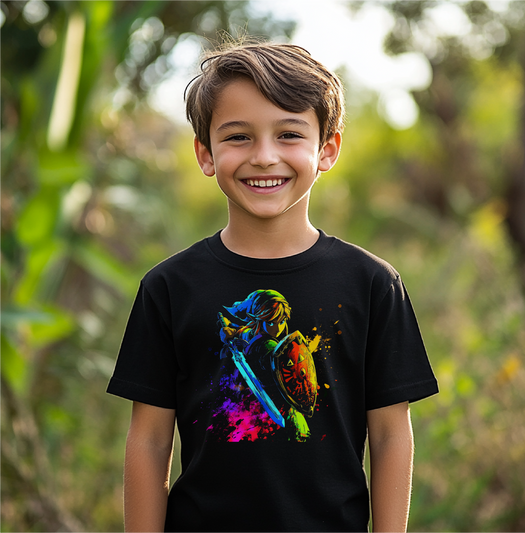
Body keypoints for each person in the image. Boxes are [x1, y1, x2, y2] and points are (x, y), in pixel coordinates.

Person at [107, 41, 438, 533]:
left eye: (288, 134)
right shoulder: (169, 287)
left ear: (326, 149)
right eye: (238, 137)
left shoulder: (372, 284)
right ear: (205, 152)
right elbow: (150, 441)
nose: (264, 157)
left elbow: (390, 435)